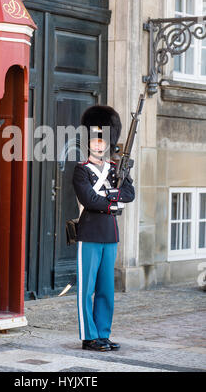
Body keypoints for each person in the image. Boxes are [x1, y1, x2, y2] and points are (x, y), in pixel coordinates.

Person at [72, 105, 135, 352]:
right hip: (89, 233)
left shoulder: (115, 170)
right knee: (86, 289)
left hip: (110, 234)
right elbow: (89, 199)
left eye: (102, 141)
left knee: (106, 289)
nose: (98, 145)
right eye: (94, 141)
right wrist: (112, 203)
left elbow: (129, 193)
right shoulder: (81, 170)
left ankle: (103, 334)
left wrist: (113, 195)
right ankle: (89, 336)